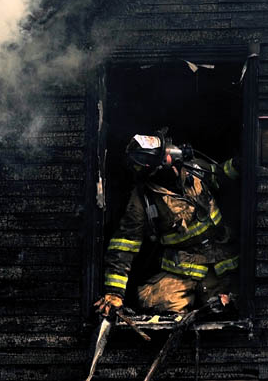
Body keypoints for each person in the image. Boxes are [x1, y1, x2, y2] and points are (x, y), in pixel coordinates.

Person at [94, 131, 240, 317]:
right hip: (183, 269)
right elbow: (124, 246)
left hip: (222, 260)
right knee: (155, 303)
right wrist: (114, 292)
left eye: (167, 149)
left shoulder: (194, 169)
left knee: (227, 306)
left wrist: (240, 164)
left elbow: (220, 174)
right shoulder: (142, 200)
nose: (172, 153)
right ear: (155, 167)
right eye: (164, 154)